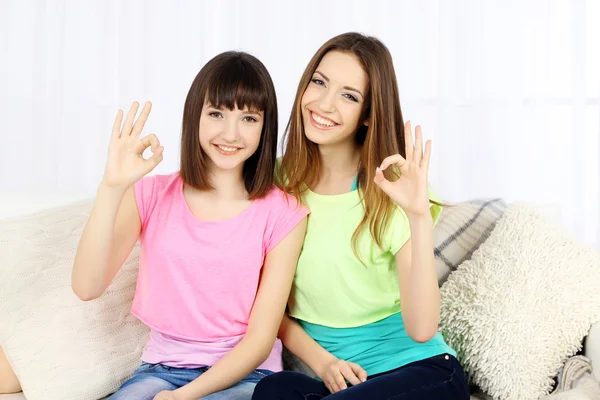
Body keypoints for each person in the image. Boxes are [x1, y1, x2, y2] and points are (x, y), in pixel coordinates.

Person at [71, 51, 309, 400]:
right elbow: (86, 287)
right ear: (194, 116)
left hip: (248, 375)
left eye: (248, 118)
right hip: (161, 370)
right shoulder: (152, 193)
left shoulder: (284, 213)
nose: (231, 133)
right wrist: (112, 187)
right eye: (216, 114)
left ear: (265, 126)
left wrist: (185, 397)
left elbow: (259, 342)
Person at [252, 33, 470, 399]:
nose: (324, 103)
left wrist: (417, 216)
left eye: (349, 96)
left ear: (369, 115)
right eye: (319, 82)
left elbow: (421, 328)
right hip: (340, 382)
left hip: (422, 373)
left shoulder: (392, 188)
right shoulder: (278, 182)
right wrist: (322, 363)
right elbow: (267, 305)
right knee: (273, 390)